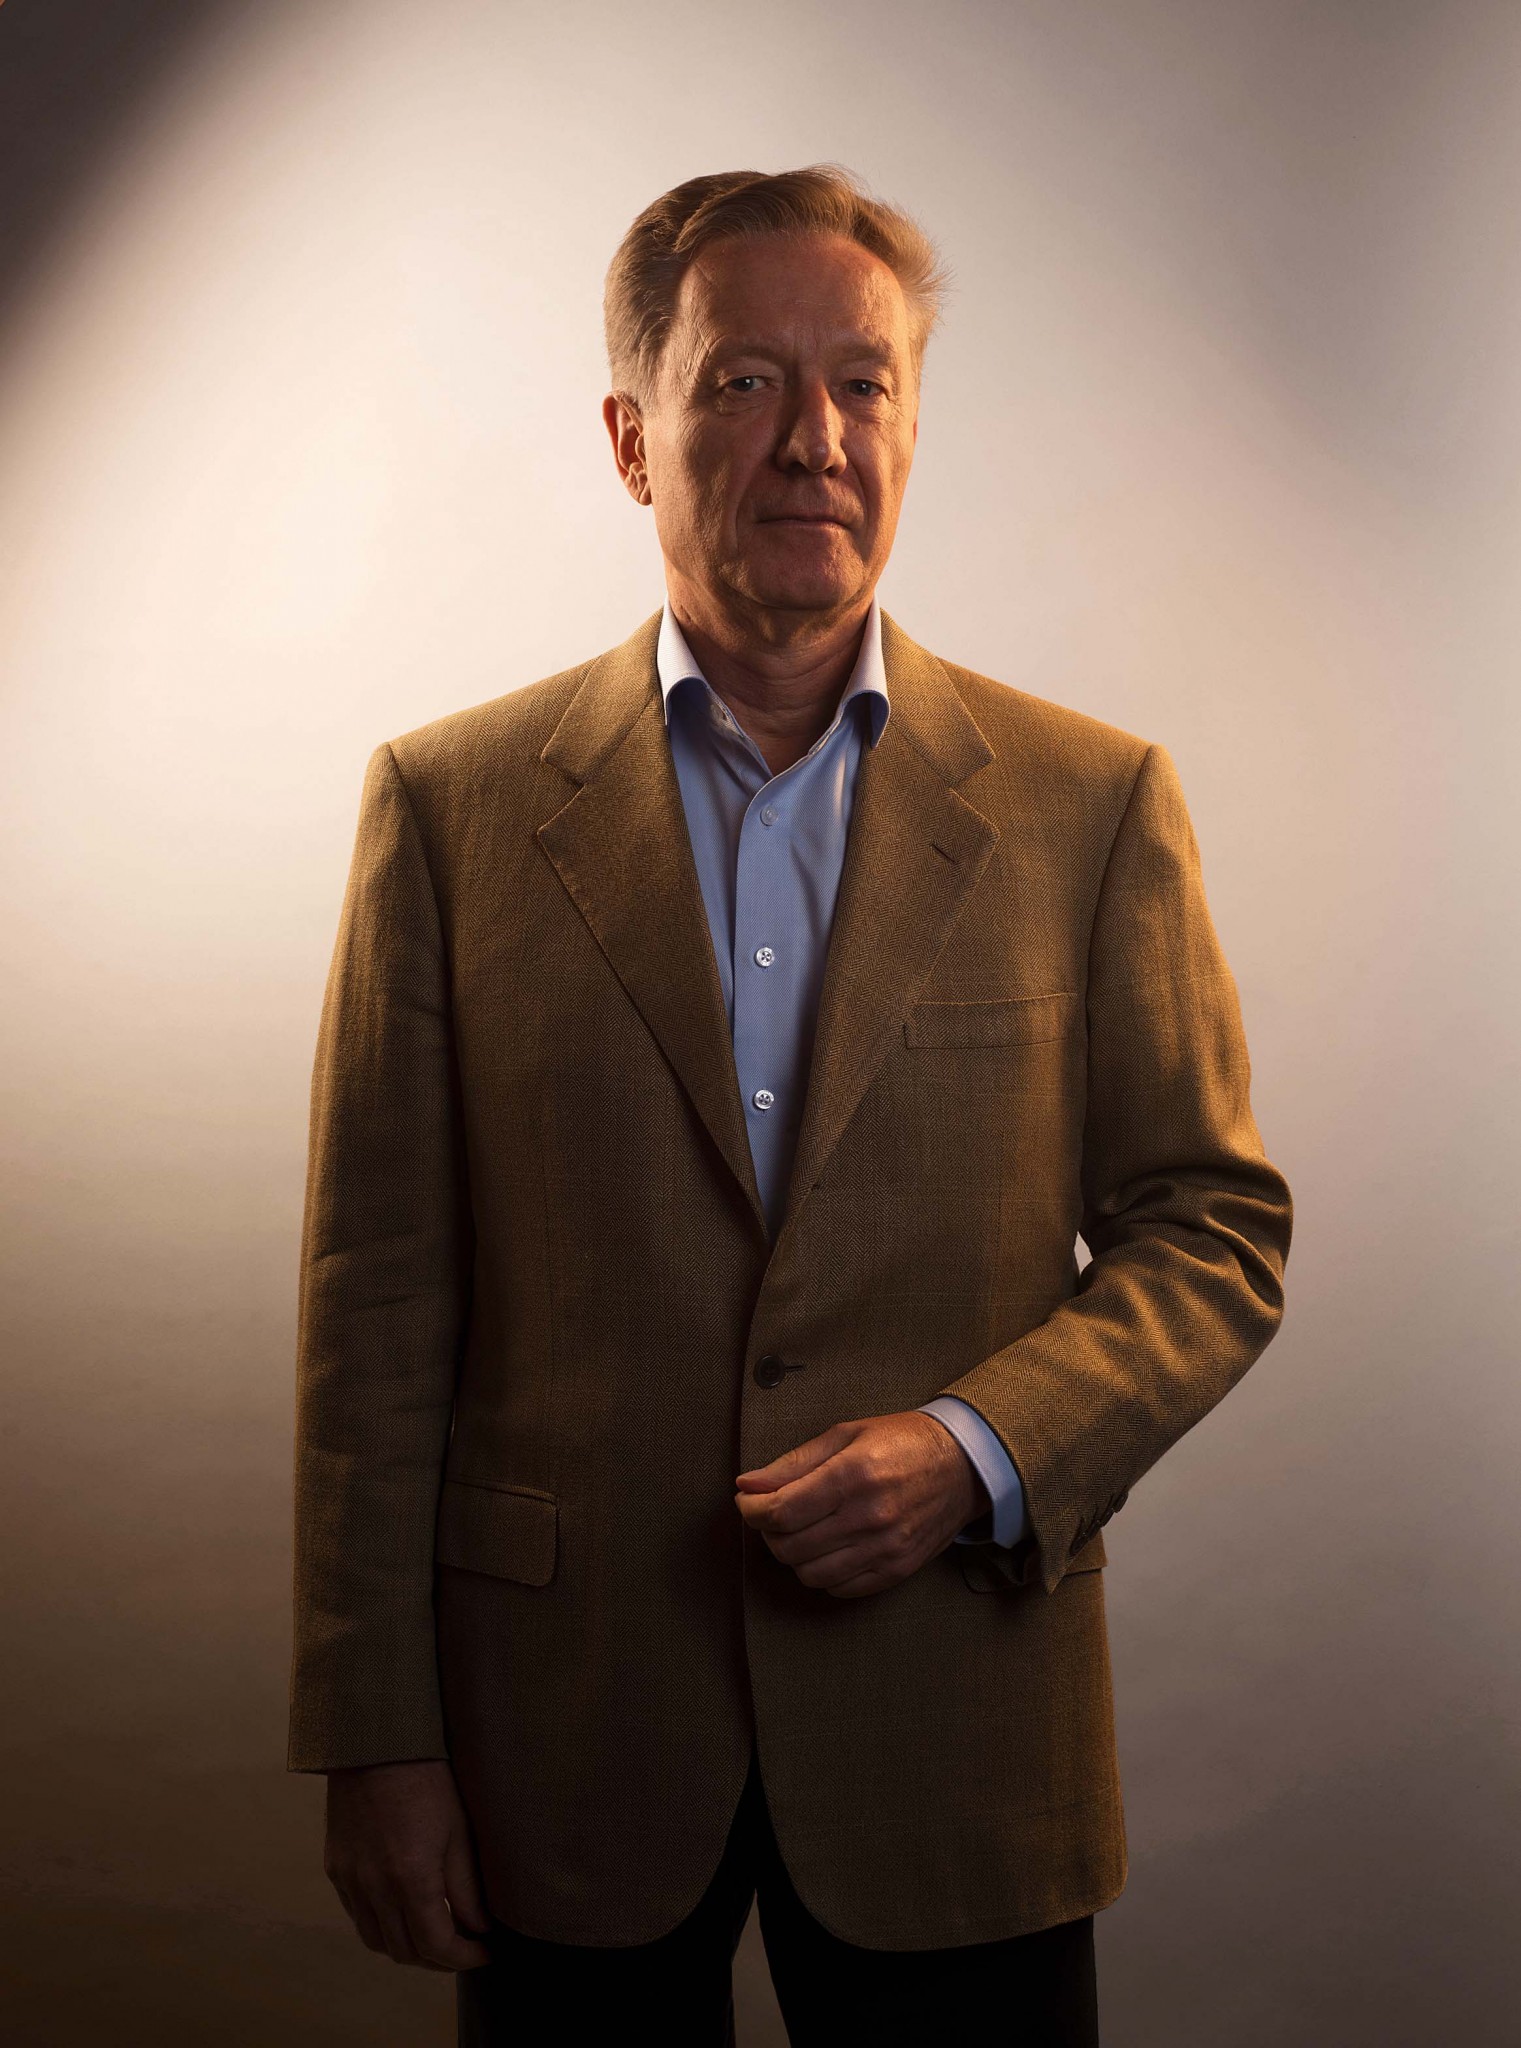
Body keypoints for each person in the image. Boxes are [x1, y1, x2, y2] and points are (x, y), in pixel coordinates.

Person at [287, 164, 1293, 2047]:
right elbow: (378, 1301)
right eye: (744, 382)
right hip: (557, 1732)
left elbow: (1213, 1233)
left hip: (954, 1719)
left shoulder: (1089, 805)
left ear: (908, 426)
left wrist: (976, 1449)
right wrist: (374, 1737)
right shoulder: (447, 808)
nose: (814, 439)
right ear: (629, 438)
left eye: (862, 384)